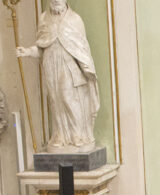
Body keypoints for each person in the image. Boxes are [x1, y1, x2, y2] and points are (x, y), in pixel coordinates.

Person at [14, 0, 100, 152]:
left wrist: (87, 67)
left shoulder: (75, 19)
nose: (55, 0)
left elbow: (82, 46)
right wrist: (27, 51)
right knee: (55, 101)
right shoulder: (43, 18)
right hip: (50, 66)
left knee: (68, 98)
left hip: (69, 67)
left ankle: (77, 135)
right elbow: (41, 47)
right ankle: (60, 135)